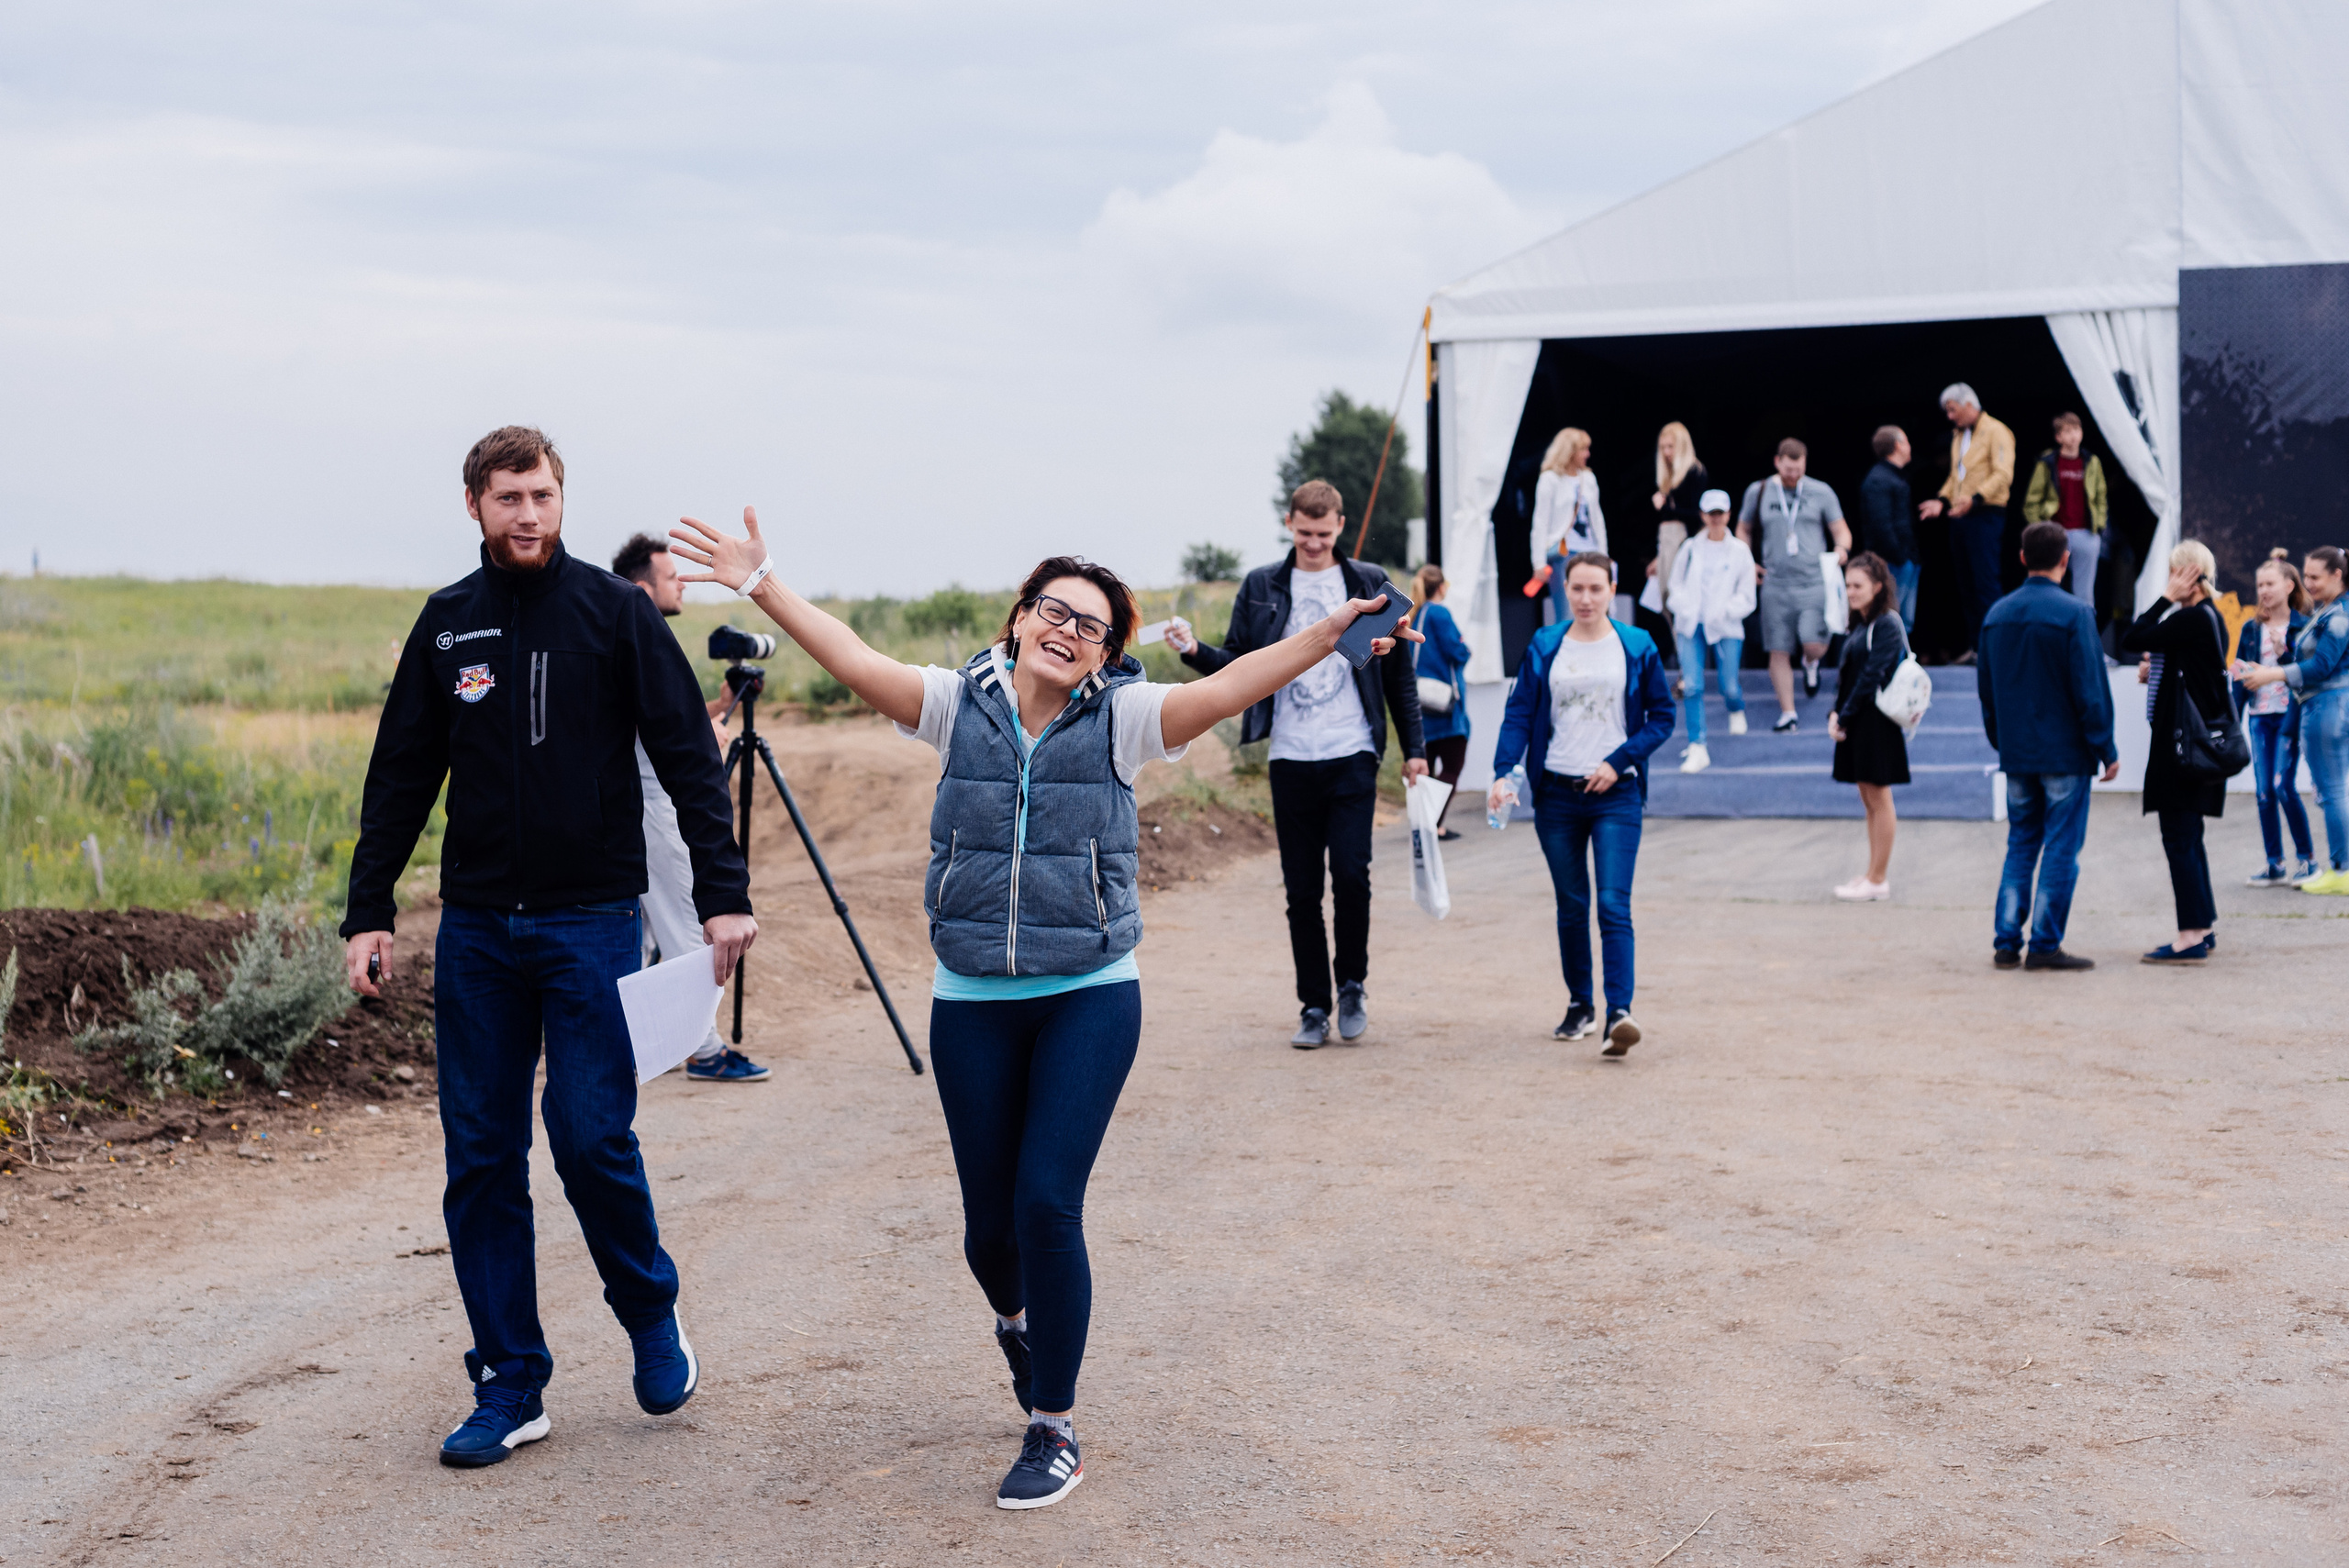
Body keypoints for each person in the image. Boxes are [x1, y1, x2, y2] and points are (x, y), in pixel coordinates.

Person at [666, 512, 1419, 1510]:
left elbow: (1230, 685)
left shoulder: (1125, 718)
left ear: (1107, 651)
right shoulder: (949, 705)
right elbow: (850, 656)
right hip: (971, 995)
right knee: (988, 1236)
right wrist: (760, 581)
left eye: (1092, 626)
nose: (1068, 631)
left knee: (1045, 1203)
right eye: (1054, 611)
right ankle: (1020, 1324)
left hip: (1088, 994)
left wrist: (1328, 634)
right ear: (1020, 619)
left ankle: (1053, 1422)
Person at [341, 428, 757, 1468]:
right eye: (507, 497)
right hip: (478, 929)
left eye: (542, 494)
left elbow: (686, 759)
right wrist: (369, 908)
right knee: (480, 1158)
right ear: (474, 506)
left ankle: (649, 1311)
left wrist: (723, 895)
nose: (527, 513)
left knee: (586, 1136)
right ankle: (511, 1379)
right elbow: (400, 774)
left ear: (562, 501)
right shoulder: (447, 626)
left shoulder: (613, 614)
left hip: (590, 924)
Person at [1167, 481, 1427, 1047]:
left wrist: (1417, 752)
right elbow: (1238, 663)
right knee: (1301, 891)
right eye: (1304, 533)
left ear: (1340, 526)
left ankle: (1352, 985)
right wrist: (1192, 651)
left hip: (1353, 751)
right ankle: (1314, 1005)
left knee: (1352, 877)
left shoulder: (1366, 581)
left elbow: (1399, 676)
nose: (1313, 543)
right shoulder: (1262, 585)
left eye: (1324, 533)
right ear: (1289, 523)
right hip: (1290, 755)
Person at [1488, 552, 1675, 1056]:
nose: (1587, 598)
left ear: (1613, 588)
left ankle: (1620, 1013)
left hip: (1616, 795)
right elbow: (1520, 712)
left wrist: (1620, 760)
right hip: (1556, 796)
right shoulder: (1546, 644)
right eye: (1578, 589)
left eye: (1596, 588)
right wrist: (1504, 772)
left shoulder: (1636, 645)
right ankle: (1579, 1006)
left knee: (1613, 904)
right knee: (1572, 906)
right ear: (1565, 591)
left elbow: (1662, 715)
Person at [611, 532, 771, 1082]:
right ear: (640, 586)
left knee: (643, 933)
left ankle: (627, 1045)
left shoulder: (625, 633)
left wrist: (720, 708)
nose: (681, 580)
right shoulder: (628, 633)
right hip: (651, 805)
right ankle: (702, 1049)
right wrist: (708, 734)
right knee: (685, 924)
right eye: (670, 574)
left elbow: (658, 720)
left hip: (636, 804)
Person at [1976, 521, 2121, 968]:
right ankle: (2043, 944)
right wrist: (2106, 748)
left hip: (2017, 752)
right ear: (2066, 559)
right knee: (2060, 846)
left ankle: (2006, 941)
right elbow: (2090, 690)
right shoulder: (2075, 614)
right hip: (2065, 754)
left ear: (2022, 558)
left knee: (2021, 841)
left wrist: (2002, 741)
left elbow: (1987, 691)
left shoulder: (1995, 615)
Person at [2121, 540, 2232, 962]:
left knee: (2180, 839)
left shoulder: (2189, 618)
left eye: (2174, 574)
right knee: (2189, 838)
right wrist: (2159, 669)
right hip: (2190, 748)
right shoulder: (2206, 618)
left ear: (2188, 575)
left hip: (2181, 751)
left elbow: (2134, 636)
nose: (2170, 582)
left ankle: (2190, 934)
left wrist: (2165, 598)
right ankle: (2202, 925)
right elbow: (2185, 668)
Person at [2237, 545, 2349, 894]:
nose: (2309, 583)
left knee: (2329, 792)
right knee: (2321, 792)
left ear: (2337, 575)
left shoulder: (2336, 615)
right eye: (2307, 576)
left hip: (2322, 708)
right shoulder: (2329, 611)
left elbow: (2320, 666)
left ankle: (2338, 869)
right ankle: (2324, 866)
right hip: (2311, 710)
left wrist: (2272, 674)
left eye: (2315, 577)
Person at [1737, 438, 1851, 730]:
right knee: (1778, 648)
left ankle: (1811, 664)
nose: (1793, 475)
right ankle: (1788, 712)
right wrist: (1746, 561)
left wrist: (1841, 551)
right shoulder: (1759, 491)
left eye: (1798, 470)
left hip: (1813, 581)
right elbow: (1744, 528)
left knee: (1814, 643)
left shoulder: (1820, 491)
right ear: (1777, 463)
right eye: (1788, 470)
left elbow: (1841, 530)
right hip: (1776, 583)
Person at [2230, 550, 2317, 888]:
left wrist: (2285, 653)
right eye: (2259, 585)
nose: (2263, 590)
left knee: (2283, 786)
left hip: (2289, 717)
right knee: (2264, 792)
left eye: (2270, 583)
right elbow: (2238, 673)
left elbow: (2306, 672)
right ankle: (2274, 863)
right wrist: (2230, 722)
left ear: (2289, 585)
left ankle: (2308, 860)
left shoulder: (2303, 626)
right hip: (2259, 718)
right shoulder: (2251, 629)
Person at [1827, 553, 1910, 901]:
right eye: (1847, 585)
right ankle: (1871, 874)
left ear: (1877, 587)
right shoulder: (1860, 625)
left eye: (1858, 585)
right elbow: (1849, 678)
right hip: (1858, 719)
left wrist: (1842, 717)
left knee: (1879, 798)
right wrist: (1837, 713)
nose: (1851, 592)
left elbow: (1871, 676)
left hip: (1875, 722)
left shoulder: (1887, 624)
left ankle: (1878, 878)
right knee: (1869, 799)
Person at [1918, 383, 2016, 662]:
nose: (1949, 416)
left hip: (1985, 513)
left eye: (1952, 410)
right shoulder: (1959, 435)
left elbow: (2003, 474)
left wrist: (1975, 499)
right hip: (1960, 515)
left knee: (1986, 582)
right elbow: (1955, 477)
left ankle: (1995, 646)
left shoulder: (1997, 431)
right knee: (1967, 584)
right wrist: (1941, 500)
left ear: (1969, 405)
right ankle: (1977, 646)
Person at [1662, 488, 1754, 773]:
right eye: (1711, 513)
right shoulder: (1690, 547)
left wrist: (1724, 611)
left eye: (1720, 513)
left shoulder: (1740, 551)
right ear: (1703, 515)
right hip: (1691, 625)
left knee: (1728, 684)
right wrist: (1685, 608)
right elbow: (1674, 586)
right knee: (1692, 684)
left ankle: (1736, 707)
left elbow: (1747, 596)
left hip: (1725, 626)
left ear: (1728, 515)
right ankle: (1697, 745)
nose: (1716, 519)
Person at [2021, 412, 2109, 623]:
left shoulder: (2091, 462)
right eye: (2067, 431)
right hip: (2056, 533)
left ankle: (2085, 639)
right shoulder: (2048, 462)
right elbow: (2032, 502)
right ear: (2058, 437)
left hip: (2086, 532)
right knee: (2049, 586)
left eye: (2076, 430)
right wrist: (2041, 530)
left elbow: (2100, 496)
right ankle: (2049, 632)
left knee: (2085, 594)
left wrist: (2099, 525)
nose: (2073, 436)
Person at [1411, 563, 1473, 837]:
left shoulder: (1417, 614)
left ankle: (1424, 821)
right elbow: (1456, 651)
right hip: (1444, 705)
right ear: (1441, 587)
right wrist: (1465, 648)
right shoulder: (1439, 613)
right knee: (1452, 766)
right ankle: (1434, 824)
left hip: (1420, 703)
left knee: (1428, 766)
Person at [1528, 428, 1606, 626]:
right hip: (1564, 555)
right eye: (1583, 449)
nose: (1587, 454)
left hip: (1591, 552)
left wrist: (1604, 555)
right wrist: (1538, 562)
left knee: (1598, 612)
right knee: (1568, 614)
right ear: (1570, 451)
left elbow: (1597, 519)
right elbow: (1540, 522)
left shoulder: (1588, 478)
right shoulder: (1550, 479)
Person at [1859, 426, 1920, 629]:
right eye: (1907, 441)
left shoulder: (1893, 476)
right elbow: (1881, 525)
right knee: (1891, 618)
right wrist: (1901, 557)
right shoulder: (1879, 480)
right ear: (1897, 445)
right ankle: (1891, 661)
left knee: (1903, 621)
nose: (1910, 447)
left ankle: (1901, 660)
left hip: (1903, 560)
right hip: (1892, 563)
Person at [1650, 421, 1708, 616]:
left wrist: (1666, 507)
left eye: (1670, 446)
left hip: (1682, 538)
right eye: (1663, 447)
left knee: (1676, 595)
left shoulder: (1694, 471)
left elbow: (1697, 515)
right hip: (1667, 539)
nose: (1666, 452)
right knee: (1664, 594)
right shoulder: (1669, 476)